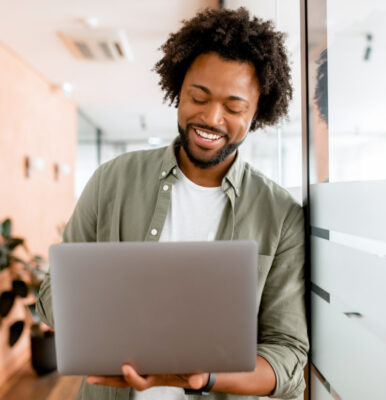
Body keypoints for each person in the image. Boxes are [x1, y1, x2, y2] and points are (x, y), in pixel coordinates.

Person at [37, 7, 308, 400]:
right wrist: (100, 324)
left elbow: (287, 356)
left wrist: (205, 377)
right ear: (178, 89)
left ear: (257, 112)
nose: (211, 118)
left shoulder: (280, 215)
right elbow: (50, 297)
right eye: (198, 97)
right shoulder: (111, 180)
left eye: (234, 108)